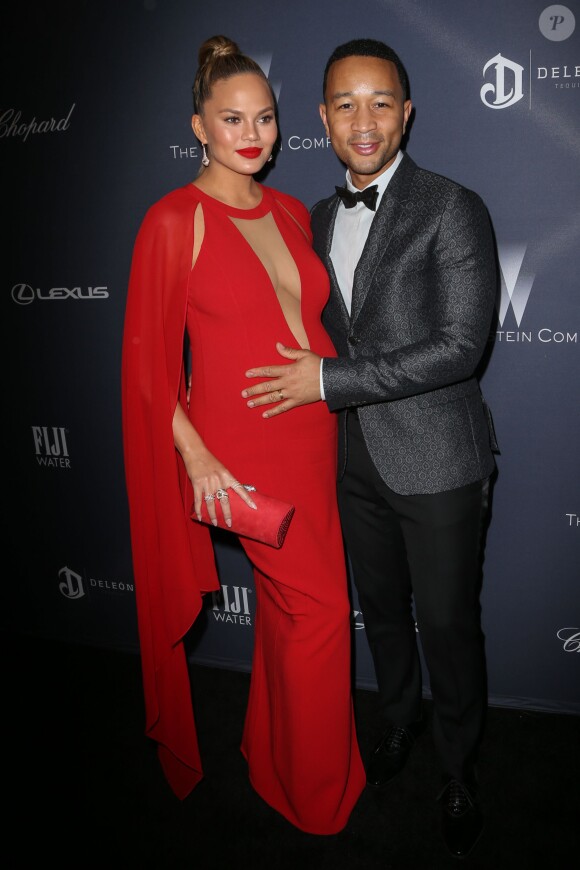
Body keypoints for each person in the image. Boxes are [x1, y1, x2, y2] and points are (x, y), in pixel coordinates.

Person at [241, 38, 498, 858]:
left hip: (439, 464)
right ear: (320, 118)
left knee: (449, 626)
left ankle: (458, 766)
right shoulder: (310, 219)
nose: (363, 120)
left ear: (407, 111)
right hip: (350, 466)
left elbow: (462, 347)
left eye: (380, 101)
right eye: (345, 104)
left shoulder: (453, 207)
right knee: (383, 616)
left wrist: (328, 383)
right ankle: (397, 720)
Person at [121, 35, 365, 835]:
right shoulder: (172, 220)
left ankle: (272, 756)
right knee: (323, 615)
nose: (253, 134)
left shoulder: (291, 209)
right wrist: (196, 457)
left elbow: (306, 323)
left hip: (311, 437)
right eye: (233, 119)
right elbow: (149, 367)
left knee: (293, 617)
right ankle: (317, 797)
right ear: (199, 125)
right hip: (241, 452)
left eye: (264, 118)